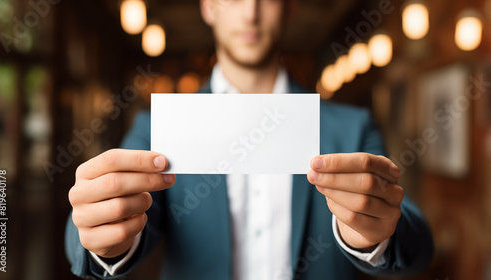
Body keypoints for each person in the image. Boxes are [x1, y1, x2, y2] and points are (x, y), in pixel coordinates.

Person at [65, 0, 433, 279]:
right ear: (208, 6)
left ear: (289, 7)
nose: (250, 13)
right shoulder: (162, 126)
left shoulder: (351, 128)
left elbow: (417, 244)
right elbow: (94, 227)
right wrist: (99, 233)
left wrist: (375, 236)